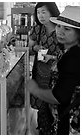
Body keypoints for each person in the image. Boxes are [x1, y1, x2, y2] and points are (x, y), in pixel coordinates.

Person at [27, 6, 80, 135]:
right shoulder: (69, 50)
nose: (60, 32)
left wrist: (35, 89)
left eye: (67, 29)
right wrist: (51, 58)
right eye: (58, 26)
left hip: (68, 118)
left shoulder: (74, 57)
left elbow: (59, 97)